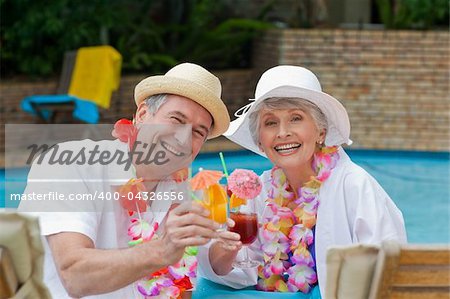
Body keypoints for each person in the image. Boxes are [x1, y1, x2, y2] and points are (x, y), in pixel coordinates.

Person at [19, 63, 231, 298]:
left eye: (198, 132)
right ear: (142, 115)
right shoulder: (68, 164)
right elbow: (75, 275)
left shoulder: (190, 192)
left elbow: (183, 282)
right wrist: (164, 249)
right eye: (176, 119)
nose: (183, 138)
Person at [198, 65, 407, 296]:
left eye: (295, 118)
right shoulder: (261, 189)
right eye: (270, 123)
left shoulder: (354, 185)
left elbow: (391, 270)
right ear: (260, 142)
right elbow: (238, 271)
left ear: (320, 132)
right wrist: (226, 249)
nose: (283, 132)